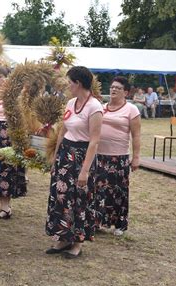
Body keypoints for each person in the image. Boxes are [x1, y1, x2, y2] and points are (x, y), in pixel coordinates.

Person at [45, 65, 103, 258]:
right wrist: (55, 154)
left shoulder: (95, 107)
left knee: (79, 199)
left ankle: (77, 243)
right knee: (61, 196)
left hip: (81, 156)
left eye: (70, 82)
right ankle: (63, 238)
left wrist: (85, 170)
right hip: (65, 154)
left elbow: (94, 140)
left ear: (78, 83)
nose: (68, 85)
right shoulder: (71, 103)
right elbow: (63, 129)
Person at [95, 77, 141, 236]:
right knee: (99, 190)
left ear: (126, 92)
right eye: (112, 87)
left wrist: (136, 157)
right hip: (99, 156)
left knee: (118, 192)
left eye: (118, 88)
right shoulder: (101, 107)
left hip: (118, 157)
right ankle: (99, 221)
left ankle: (119, 224)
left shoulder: (131, 109)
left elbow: (136, 135)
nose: (113, 90)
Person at [0, 66, 27, 219]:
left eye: (0, 76)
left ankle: (6, 207)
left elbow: (21, 116)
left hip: (8, 134)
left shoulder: (13, 96)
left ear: (7, 78)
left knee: (6, 169)